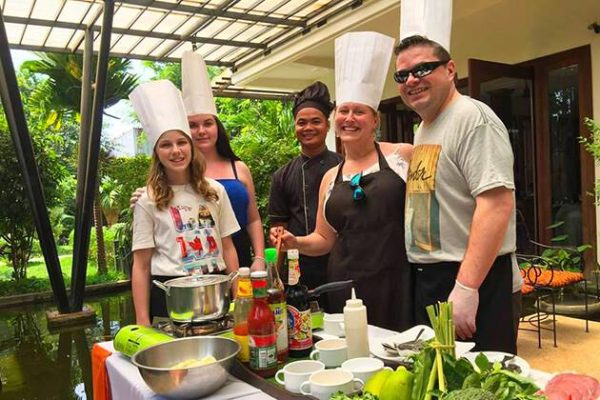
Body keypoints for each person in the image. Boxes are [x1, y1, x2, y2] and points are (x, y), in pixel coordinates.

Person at [274, 32, 414, 332]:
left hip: (396, 281)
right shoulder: (331, 176)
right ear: (335, 120)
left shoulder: (403, 155)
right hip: (343, 285)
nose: (350, 118)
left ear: (374, 120)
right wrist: (295, 242)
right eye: (344, 111)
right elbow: (324, 240)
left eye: (359, 111)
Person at [396, 35, 518, 353]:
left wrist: (467, 287)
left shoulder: (473, 120)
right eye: (402, 75)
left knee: (479, 381)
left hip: (471, 277)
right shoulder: (424, 127)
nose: (411, 80)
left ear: (450, 70)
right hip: (431, 277)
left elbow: (496, 204)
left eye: (422, 68)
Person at [132, 52, 265, 271]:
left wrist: (258, 257)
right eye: (193, 125)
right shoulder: (175, 171)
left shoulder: (238, 168)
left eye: (208, 123)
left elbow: (253, 219)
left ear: (217, 126)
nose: (201, 131)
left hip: (236, 254)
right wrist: (140, 196)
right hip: (195, 261)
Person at [129, 80, 240, 326]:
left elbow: (228, 247)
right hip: (170, 296)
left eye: (181, 143)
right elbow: (141, 265)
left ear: (191, 147)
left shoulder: (215, 191)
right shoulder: (148, 199)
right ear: (156, 152)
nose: (176, 151)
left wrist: (238, 299)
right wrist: (142, 321)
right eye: (166, 145)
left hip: (215, 291)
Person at [268, 81, 342, 296]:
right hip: (298, 268)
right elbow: (278, 231)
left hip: (339, 263)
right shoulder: (282, 176)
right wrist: (275, 278)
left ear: (327, 126)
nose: (308, 128)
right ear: (295, 127)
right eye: (302, 122)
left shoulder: (343, 167)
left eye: (316, 121)